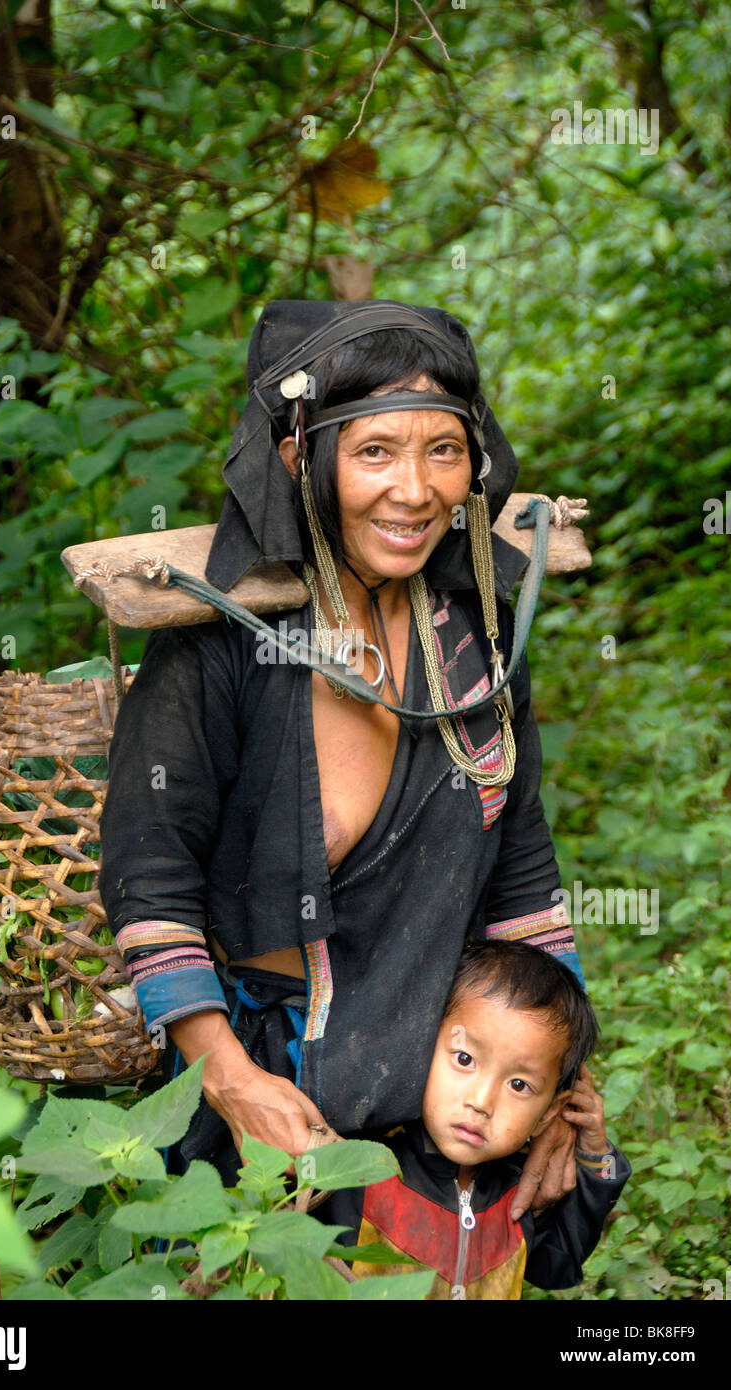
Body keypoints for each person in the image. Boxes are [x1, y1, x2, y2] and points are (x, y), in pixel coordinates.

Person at [98, 298, 586, 1216]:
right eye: (373, 451)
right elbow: (149, 870)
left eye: (444, 450)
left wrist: (558, 1077)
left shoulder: (478, 638)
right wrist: (235, 1084)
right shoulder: (219, 642)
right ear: (299, 457)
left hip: (436, 1101)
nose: (415, 490)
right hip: (254, 1093)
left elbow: (520, 875)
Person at [316, 940, 630, 1299]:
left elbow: (559, 1264)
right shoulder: (363, 1166)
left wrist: (596, 1159)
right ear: (421, 1047)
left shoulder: (519, 1196)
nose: (481, 1102)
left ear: (549, 1114)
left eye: (519, 1084)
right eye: (464, 1059)